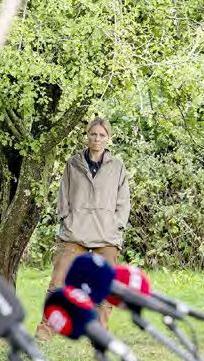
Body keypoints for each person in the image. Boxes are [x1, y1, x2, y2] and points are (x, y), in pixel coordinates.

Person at [35, 117, 130, 340]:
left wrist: (116, 226)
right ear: (87, 136)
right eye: (93, 134)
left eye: (102, 135)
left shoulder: (117, 166)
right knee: (58, 283)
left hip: (106, 235)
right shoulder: (73, 163)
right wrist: (66, 219)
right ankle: (46, 330)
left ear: (108, 138)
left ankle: (99, 333)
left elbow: (124, 201)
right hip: (74, 233)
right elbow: (63, 196)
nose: (97, 139)